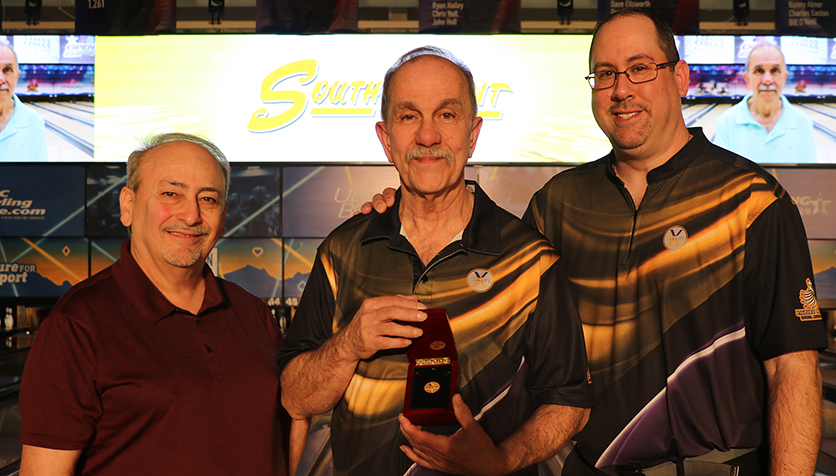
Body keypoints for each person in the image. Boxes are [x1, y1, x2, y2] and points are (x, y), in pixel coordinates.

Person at [363, 10, 828, 476]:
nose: (621, 89)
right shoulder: (559, 205)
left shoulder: (752, 199)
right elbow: (488, 310)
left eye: (640, 68)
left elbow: (792, 367)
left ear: (681, 78)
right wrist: (409, 207)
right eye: (605, 74)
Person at [278, 46, 593, 476]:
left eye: (446, 115)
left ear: (473, 133)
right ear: (386, 139)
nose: (428, 137)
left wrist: (502, 460)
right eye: (409, 117)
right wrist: (349, 344)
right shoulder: (342, 251)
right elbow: (295, 398)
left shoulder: (531, 261)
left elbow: (569, 402)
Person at [19, 133, 289, 475]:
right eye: (170, 193)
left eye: (208, 199)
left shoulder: (252, 314)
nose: (191, 215)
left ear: (222, 218)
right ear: (128, 206)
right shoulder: (77, 324)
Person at [714, 42, 816, 163]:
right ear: (747, 79)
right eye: (759, 71)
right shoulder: (726, 122)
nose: (767, 80)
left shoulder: (802, 121)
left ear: (784, 77)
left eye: (775, 70)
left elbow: (809, 178)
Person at [0, 43, 48, 162]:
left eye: (7, 70)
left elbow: (41, 175)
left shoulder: (34, 120)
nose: (1, 78)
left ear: (17, 76)